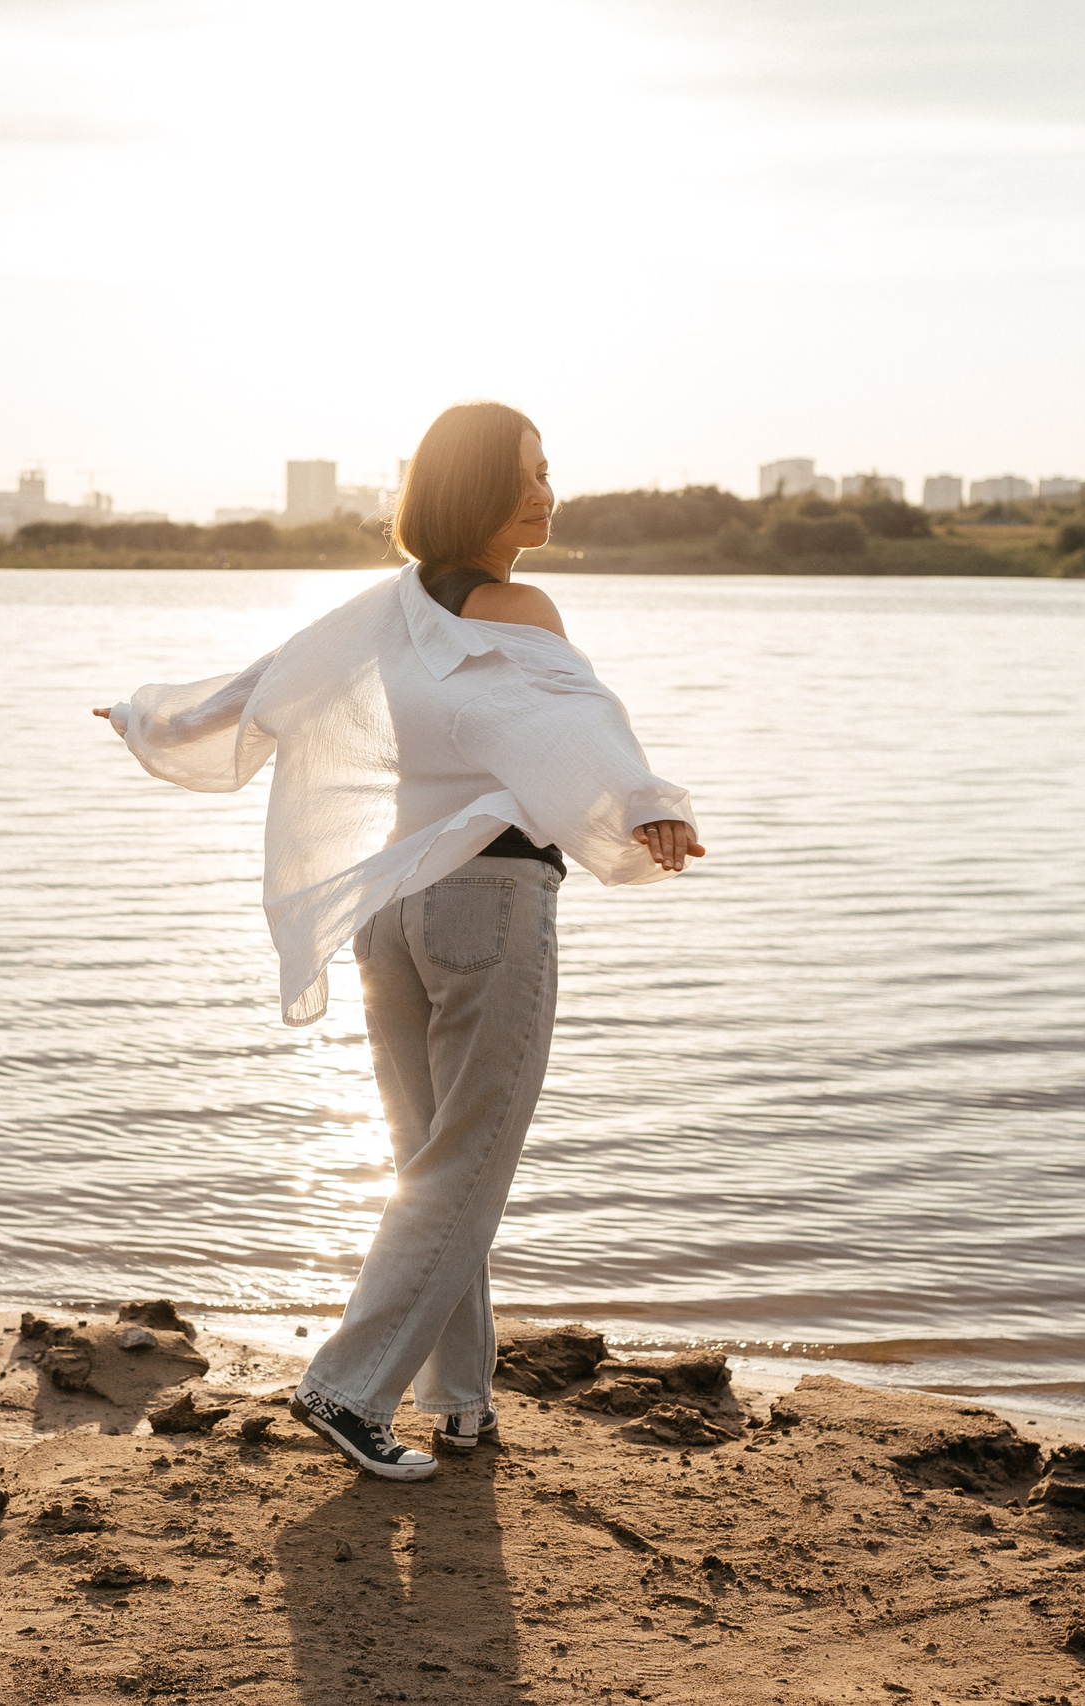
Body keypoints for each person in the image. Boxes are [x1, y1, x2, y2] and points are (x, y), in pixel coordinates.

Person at [95, 401, 703, 1479]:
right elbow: (580, 713)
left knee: (432, 1163)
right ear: (474, 492)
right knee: (467, 1164)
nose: (546, 493)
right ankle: (347, 1384)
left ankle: (459, 1403)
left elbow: (249, 694)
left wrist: (145, 716)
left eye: (548, 471)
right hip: (488, 901)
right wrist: (645, 795)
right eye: (527, 474)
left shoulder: (377, 615)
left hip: (395, 911)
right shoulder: (520, 604)